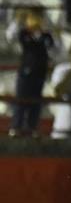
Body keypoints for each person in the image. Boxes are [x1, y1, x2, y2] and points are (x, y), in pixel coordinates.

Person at [6, 7, 55, 137]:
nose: (35, 21)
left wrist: (52, 30)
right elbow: (10, 36)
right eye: (32, 18)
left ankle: (32, 127)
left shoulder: (47, 36)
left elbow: (56, 50)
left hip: (40, 73)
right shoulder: (24, 34)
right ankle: (16, 126)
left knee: (35, 101)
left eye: (38, 18)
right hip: (25, 72)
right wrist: (18, 20)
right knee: (21, 99)